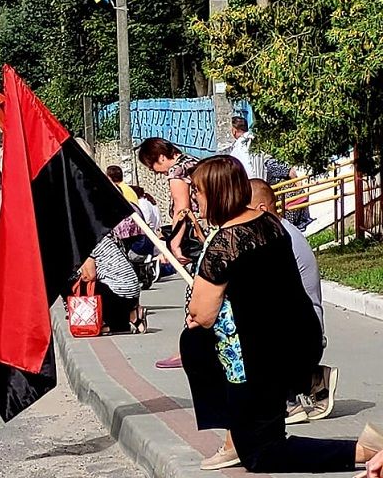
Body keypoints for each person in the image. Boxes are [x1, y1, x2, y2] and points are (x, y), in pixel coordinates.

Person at [179, 155, 381, 473]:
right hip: (293, 342)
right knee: (259, 438)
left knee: (262, 454)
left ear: (217, 193)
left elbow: (202, 314)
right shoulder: (270, 224)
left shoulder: (225, 243)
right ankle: (239, 433)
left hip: (257, 359)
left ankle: (362, 451)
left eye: (198, 191)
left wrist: (197, 313)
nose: (194, 198)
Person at [248, 178, 337, 424]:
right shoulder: (279, 232)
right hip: (300, 333)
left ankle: (288, 402)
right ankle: (308, 381)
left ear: (262, 210)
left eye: (243, 210)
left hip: (301, 336)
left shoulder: (278, 238)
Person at [138, 137, 202, 370]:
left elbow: (181, 208)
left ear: (161, 157)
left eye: (153, 165)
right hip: (210, 230)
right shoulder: (194, 162)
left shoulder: (177, 171)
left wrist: (174, 244)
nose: (155, 172)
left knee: (195, 293)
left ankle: (191, 348)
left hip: (196, 234)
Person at [77, 232, 146, 334]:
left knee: (86, 286)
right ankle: (133, 317)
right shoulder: (102, 237)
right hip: (131, 291)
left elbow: (89, 275)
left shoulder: (86, 244)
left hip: (120, 293)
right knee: (103, 284)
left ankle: (119, 325)